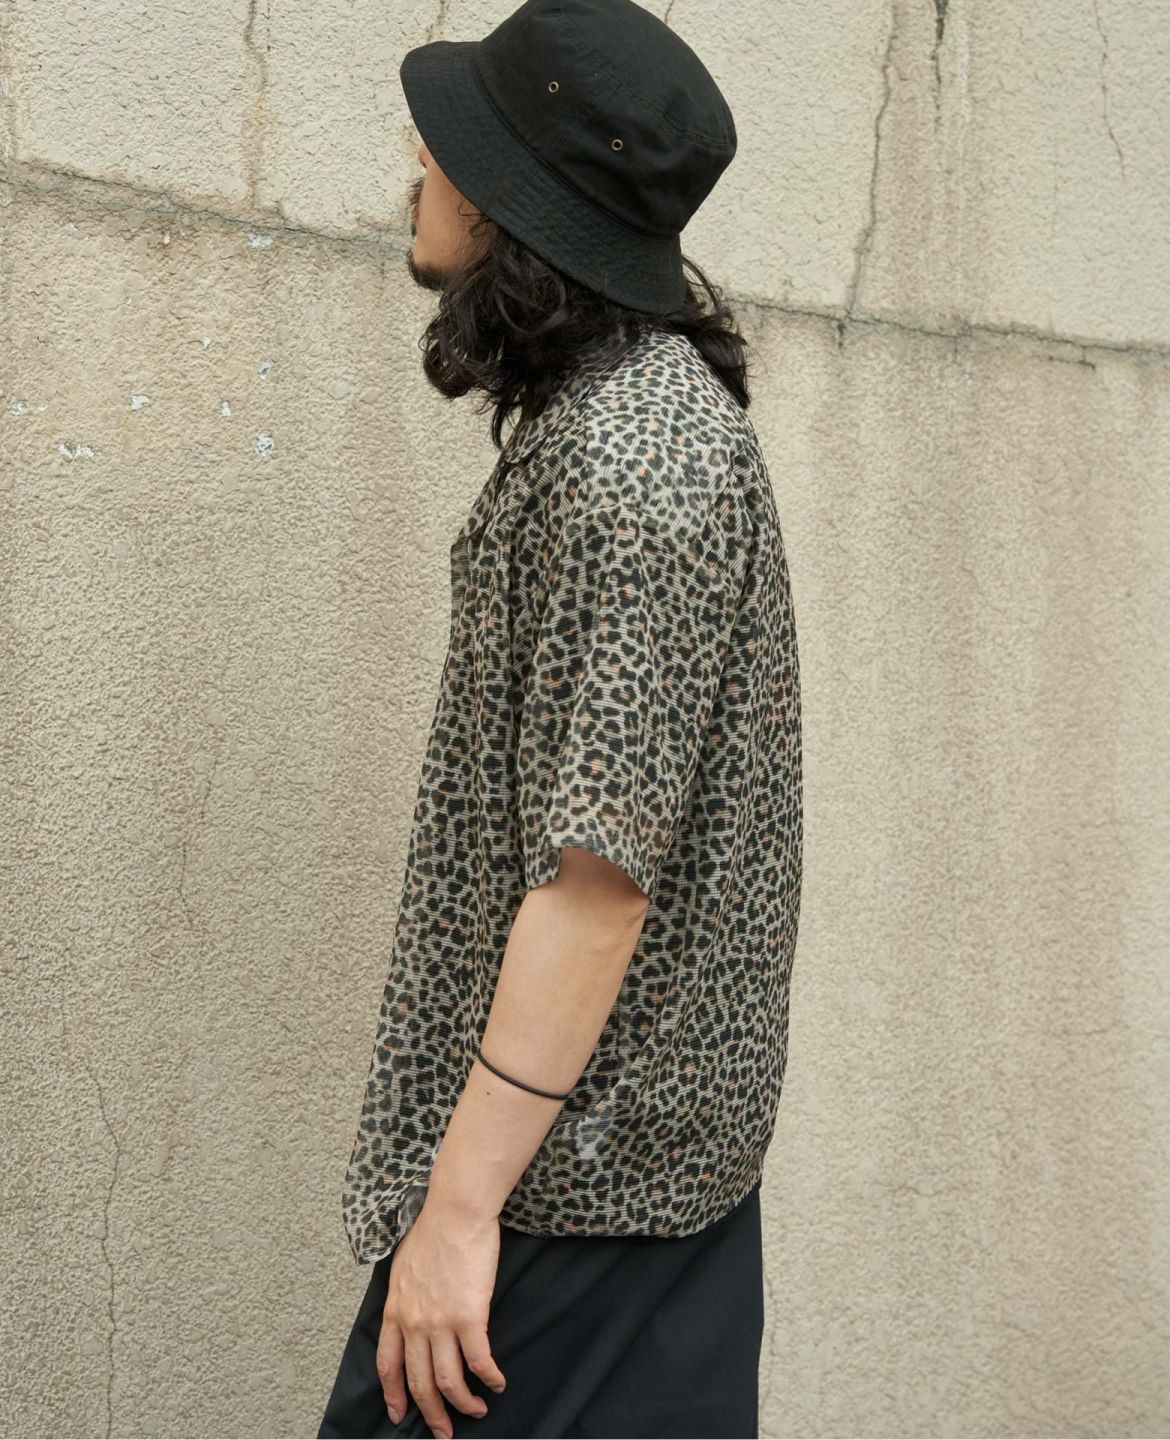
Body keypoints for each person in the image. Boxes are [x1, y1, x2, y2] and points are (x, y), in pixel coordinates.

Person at [317, 1, 804, 1436]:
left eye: (450, 143)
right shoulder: (623, 424)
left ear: (507, 198)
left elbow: (595, 887)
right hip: (608, 1182)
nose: (419, 161)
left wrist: (458, 1216)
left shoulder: (634, 464)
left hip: (568, 1207)